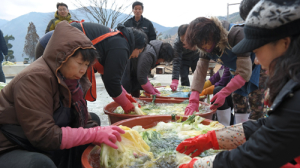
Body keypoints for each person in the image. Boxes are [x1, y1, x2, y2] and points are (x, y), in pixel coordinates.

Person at [176, 0, 300, 167]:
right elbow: (269, 126)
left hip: (249, 77)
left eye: (256, 51)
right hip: (237, 77)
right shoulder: (293, 91)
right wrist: (212, 139)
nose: (255, 60)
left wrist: (200, 165)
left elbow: (259, 152)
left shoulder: (295, 99)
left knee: (255, 108)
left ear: (285, 44)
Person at [0, 21, 125, 168]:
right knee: (39, 164)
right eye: (79, 63)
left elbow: (84, 119)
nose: (83, 70)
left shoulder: (71, 79)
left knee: (93, 122)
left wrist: (99, 132)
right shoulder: (34, 78)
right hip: (13, 143)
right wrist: (94, 134)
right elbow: (43, 135)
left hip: (36, 138)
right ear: (62, 57)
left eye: (86, 65)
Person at [36, 21, 148, 114]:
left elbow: (111, 77)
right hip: (53, 45)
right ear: (135, 45)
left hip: (50, 41)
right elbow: (112, 82)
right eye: (139, 51)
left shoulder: (118, 39)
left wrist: (128, 97)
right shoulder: (121, 47)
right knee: (59, 94)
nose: (137, 56)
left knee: (74, 92)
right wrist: (127, 106)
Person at [183, 1, 266, 123]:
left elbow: (244, 72)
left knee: (256, 105)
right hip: (236, 73)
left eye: (206, 43)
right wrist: (194, 99)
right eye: (200, 45)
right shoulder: (203, 44)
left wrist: (224, 92)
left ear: (213, 34)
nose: (205, 47)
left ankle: (256, 137)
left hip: (257, 69)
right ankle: (238, 135)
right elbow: (200, 70)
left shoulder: (236, 34)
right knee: (239, 102)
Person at [170, 24, 200, 91]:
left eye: (186, 39)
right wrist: (175, 80)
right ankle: (186, 94)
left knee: (198, 76)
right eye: (182, 40)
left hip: (196, 57)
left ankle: (200, 92)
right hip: (183, 59)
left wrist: (195, 47)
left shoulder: (197, 38)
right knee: (184, 77)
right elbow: (176, 61)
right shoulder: (177, 44)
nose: (184, 42)